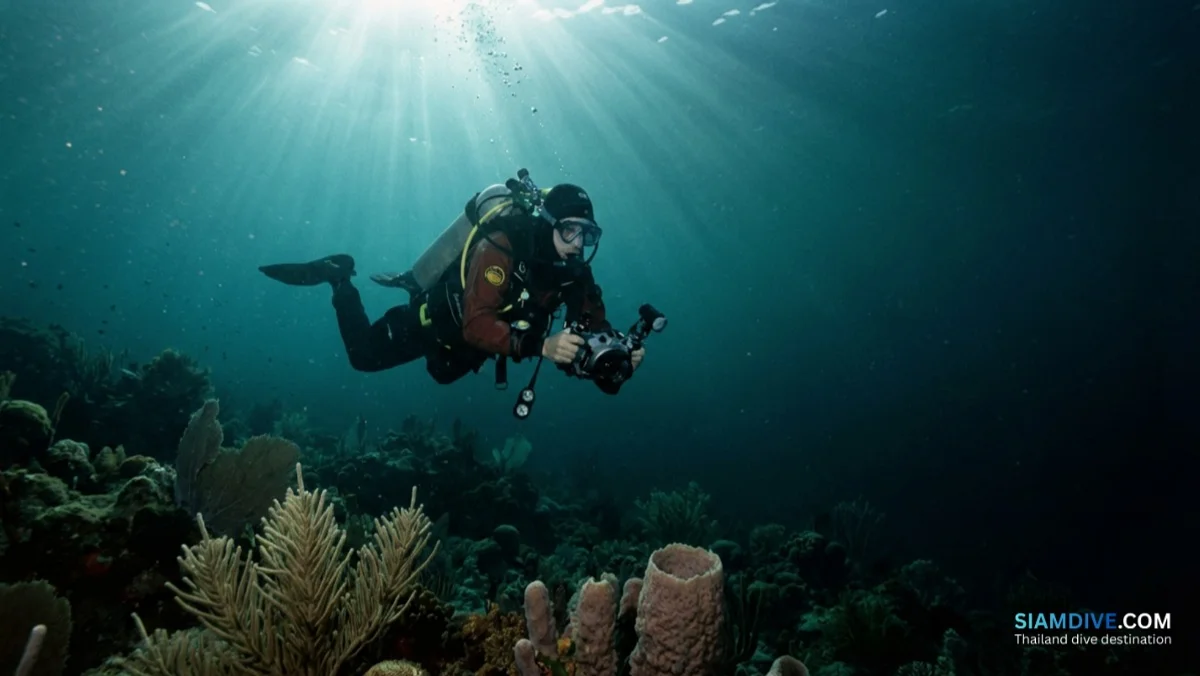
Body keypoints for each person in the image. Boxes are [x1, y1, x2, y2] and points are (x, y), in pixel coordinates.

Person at [259, 179, 645, 395]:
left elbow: (588, 329)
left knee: (442, 373)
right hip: (436, 321)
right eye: (569, 229)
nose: (577, 244)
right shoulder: (502, 246)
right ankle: (339, 277)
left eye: (587, 234)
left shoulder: (573, 272)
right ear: (547, 223)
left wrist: (613, 354)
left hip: (469, 349)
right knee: (363, 357)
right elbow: (475, 324)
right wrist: (541, 346)